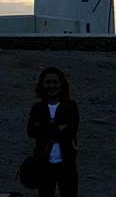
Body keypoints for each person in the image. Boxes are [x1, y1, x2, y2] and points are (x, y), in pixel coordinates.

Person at [27, 67, 79, 197]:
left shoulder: (71, 106)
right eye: (48, 82)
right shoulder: (37, 108)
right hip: (44, 164)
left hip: (66, 164)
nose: (52, 86)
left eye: (55, 82)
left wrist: (43, 128)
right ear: (42, 85)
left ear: (61, 84)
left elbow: (71, 131)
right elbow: (31, 131)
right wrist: (59, 129)